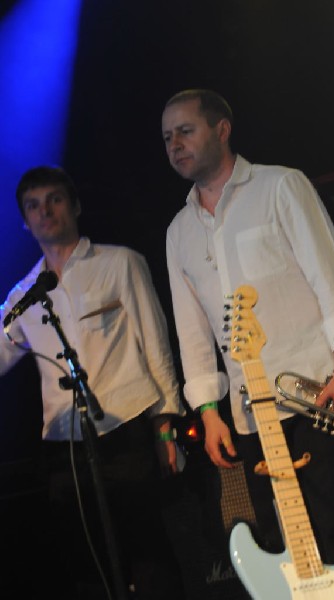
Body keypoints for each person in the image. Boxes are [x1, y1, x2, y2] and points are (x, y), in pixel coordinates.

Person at [161, 88, 334, 598]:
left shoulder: (280, 186)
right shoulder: (179, 232)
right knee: (283, 552)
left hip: (320, 396)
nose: (175, 144)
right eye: (167, 137)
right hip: (249, 417)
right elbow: (191, 330)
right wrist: (208, 409)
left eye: (185, 130)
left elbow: (330, 275)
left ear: (222, 130)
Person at [0, 166, 185, 600]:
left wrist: (166, 424)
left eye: (54, 200)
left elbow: (155, 343)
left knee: (149, 553)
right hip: (65, 446)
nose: (45, 212)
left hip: (129, 431)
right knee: (89, 565)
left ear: (75, 206)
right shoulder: (23, 295)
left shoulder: (119, 263)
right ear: (24, 222)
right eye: (33, 206)